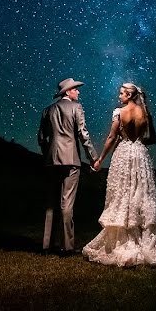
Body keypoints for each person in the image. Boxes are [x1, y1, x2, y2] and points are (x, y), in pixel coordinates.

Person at [82, 83, 156, 266]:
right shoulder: (145, 113)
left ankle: (125, 240)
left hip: (124, 154)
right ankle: (146, 242)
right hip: (140, 154)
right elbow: (153, 139)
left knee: (123, 194)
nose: (119, 96)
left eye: (121, 93)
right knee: (142, 193)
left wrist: (100, 159)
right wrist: (138, 141)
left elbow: (111, 138)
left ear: (128, 95)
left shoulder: (119, 112)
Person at [37, 78, 99, 255]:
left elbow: (41, 138)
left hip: (51, 160)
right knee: (67, 202)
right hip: (71, 159)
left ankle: (46, 246)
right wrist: (93, 157)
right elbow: (83, 134)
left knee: (51, 203)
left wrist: (47, 155)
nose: (78, 92)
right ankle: (67, 247)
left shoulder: (47, 110)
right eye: (75, 89)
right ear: (67, 92)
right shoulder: (76, 108)